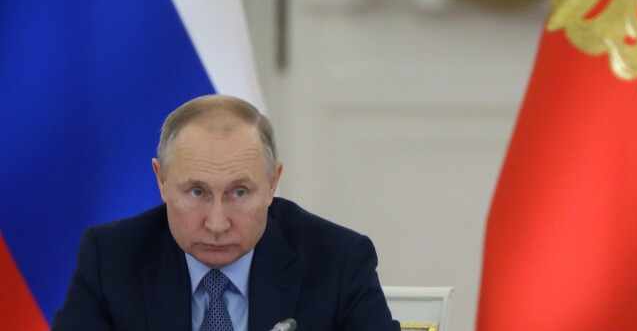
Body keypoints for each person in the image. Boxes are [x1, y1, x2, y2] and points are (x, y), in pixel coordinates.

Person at [53, 94, 400, 331]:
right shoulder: (111, 258)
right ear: (161, 180)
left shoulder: (338, 260)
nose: (217, 223)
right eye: (197, 192)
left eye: (239, 192)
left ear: (272, 183)